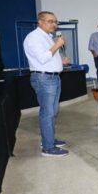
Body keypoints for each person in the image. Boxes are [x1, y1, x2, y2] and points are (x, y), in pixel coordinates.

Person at [23, 11, 70, 157]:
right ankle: (48, 148)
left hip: (53, 78)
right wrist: (57, 44)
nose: (54, 24)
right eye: (50, 21)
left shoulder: (48, 37)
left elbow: (50, 56)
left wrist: (61, 61)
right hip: (44, 79)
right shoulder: (33, 38)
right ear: (40, 22)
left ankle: (48, 139)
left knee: (53, 111)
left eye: (55, 21)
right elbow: (42, 59)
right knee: (47, 113)